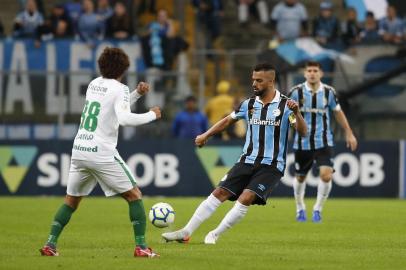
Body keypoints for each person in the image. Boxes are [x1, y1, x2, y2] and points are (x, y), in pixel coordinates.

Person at [162, 63, 307, 244]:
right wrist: (206, 135)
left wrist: (297, 113)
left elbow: (303, 132)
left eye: (259, 80)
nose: (254, 83)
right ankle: (186, 232)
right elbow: (227, 121)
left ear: (271, 81)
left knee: (246, 197)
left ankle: (214, 234)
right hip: (247, 159)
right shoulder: (249, 104)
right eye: (253, 79)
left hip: (271, 165)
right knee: (219, 193)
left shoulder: (287, 106)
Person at [39, 47, 161, 258]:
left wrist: (136, 95)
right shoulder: (119, 88)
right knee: (134, 195)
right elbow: (123, 119)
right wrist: (151, 115)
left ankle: (50, 244)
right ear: (123, 69)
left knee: (71, 200)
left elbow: (111, 109)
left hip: (80, 149)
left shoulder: (94, 84)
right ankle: (141, 248)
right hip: (101, 151)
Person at [288, 61, 357, 223]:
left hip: (324, 141)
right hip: (302, 143)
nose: (312, 73)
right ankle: (300, 208)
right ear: (305, 74)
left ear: (321, 74)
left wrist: (349, 133)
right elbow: (287, 113)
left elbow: (338, 113)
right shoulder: (295, 92)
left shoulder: (329, 92)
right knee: (300, 178)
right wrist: (293, 123)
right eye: (309, 70)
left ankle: (318, 209)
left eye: (315, 71)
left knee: (326, 176)